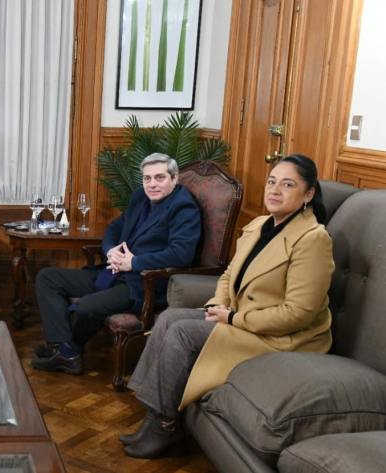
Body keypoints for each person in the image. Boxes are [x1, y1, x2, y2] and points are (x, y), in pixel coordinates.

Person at [121, 154, 334, 459]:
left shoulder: (313, 239)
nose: (275, 190)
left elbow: (299, 314)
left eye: (288, 185)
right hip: (240, 318)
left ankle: (165, 424)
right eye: (272, 182)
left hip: (280, 336)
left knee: (182, 333)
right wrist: (217, 306)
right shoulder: (259, 226)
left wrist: (233, 317)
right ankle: (154, 416)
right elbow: (228, 275)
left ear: (309, 193)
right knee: (168, 318)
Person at [31, 153, 202, 374]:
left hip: (142, 283)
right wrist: (110, 250)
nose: (152, 184)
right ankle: (64, 350)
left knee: (86, 307)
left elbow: (181, 255)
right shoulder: (140, 197)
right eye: (147, 178)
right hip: (113, 271)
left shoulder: (183, 208)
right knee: (47, 278)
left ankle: (63, 352)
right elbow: (114, 227)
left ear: (174, 178)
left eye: (159, 177)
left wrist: (134, 262)